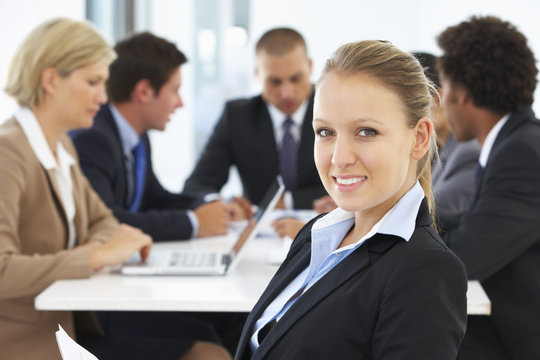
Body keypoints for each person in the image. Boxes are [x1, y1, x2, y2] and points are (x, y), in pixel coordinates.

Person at [0, 18, 230, 360]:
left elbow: (105, 221)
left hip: (72, 323)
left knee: (209, 346)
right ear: (50, 80)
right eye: (93, 82)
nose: (104, 97)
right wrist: (93, 256)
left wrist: (103, 244)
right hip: (29, 340)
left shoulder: (61, 148)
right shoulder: (9, 153)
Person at [234, 40, 467, 360]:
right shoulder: (317, 233)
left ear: (420, 138)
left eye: (367, 132)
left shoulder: (426, 271)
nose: (340, 158)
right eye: (325, 132)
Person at [71, 32, 250, 243]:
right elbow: (108, 221)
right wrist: (193, 222)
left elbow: (155, 198)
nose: (180, 103)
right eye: (175, 91)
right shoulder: (93, 139)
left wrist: (213, 205)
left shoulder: (136, 136)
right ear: (144, 92)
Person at [437, 16, 540, 359]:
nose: (442, 101)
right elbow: (474, 223)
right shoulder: (512, 141)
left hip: (517, 337)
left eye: (445, 87)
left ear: (462, 93)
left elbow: (468, 253)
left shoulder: (522, 152)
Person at [183, 27, 326, 209]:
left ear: (310, 66)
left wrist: (288, 202)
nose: (286, 93)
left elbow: (355, 181)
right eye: (274, 82)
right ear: (257, 74)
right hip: (260, 233)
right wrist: (221, 204)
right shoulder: (237, 117)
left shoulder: (334, 109)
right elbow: (197, 185)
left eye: (295, 78)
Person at [413, 52, 480, 232]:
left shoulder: (469, 152)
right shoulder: (442, 151)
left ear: (437, 99)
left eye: (411, 105)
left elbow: (435, 213)